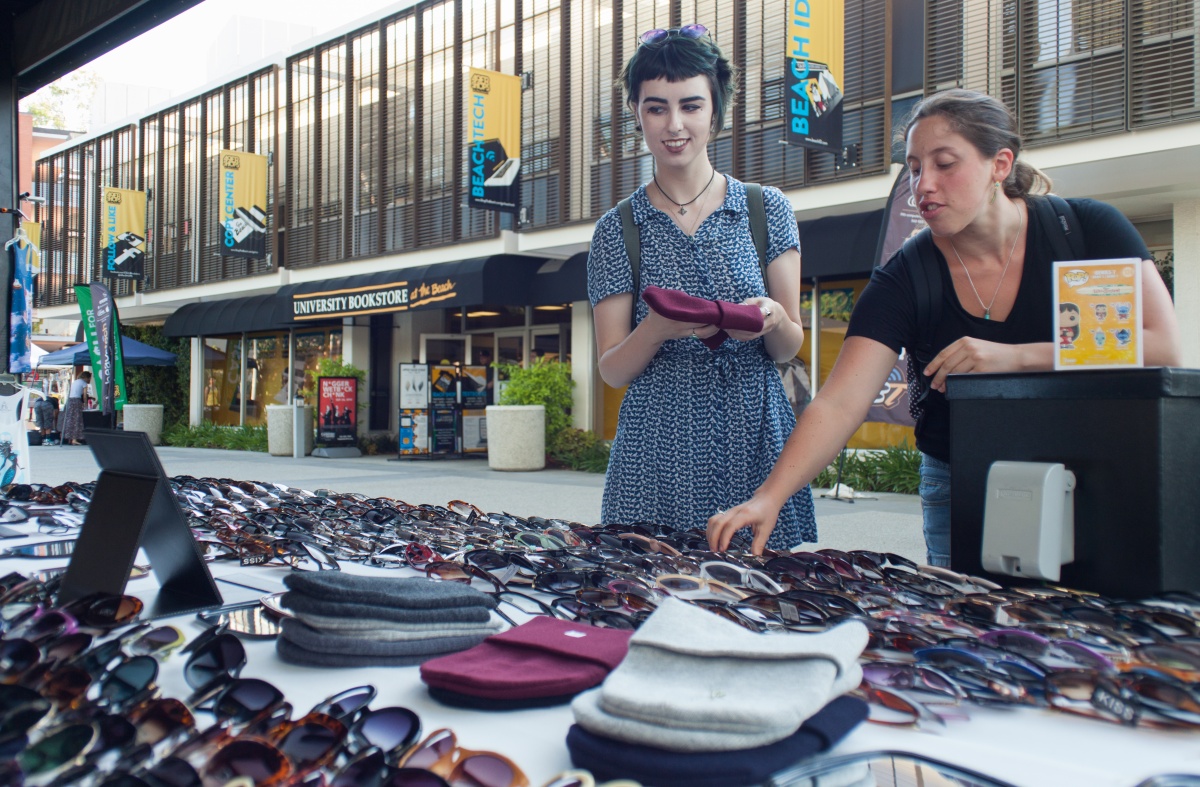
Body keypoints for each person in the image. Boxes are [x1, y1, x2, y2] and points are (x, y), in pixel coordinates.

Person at [708, 88, 1181, 563]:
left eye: (945, 163)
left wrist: (1014, 358)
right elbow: (839, 403)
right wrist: (769, 497)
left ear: (1000, 164)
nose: (923, 184)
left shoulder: (1085, 229)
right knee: (967, 627)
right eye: (914, 168)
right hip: (962, 479)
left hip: (1092, 469)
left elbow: (1160, 347)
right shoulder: (904, 277)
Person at [587, 23, 815, 550]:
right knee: (648, 592)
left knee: (761, 602)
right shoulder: (618, 228)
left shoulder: (766, 208)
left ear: (716, 110)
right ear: (636, 113)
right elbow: (612, 369)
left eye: (690, 105)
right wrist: (658, 330)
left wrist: (771, 320)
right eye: (656, 107)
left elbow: (791, 344)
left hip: (752, 436)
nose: (674, 124)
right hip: (655, 447)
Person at [62, 370, 93, 446]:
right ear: (86, 378)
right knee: (77, 419)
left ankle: (69, 437)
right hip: (76, 401)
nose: (90, 380)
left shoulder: (75, 382)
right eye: (89, 378)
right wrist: (85, 405)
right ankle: (75, 439)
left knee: (70, 419)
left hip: (70, 401)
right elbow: (85, 396)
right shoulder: (83, 383)